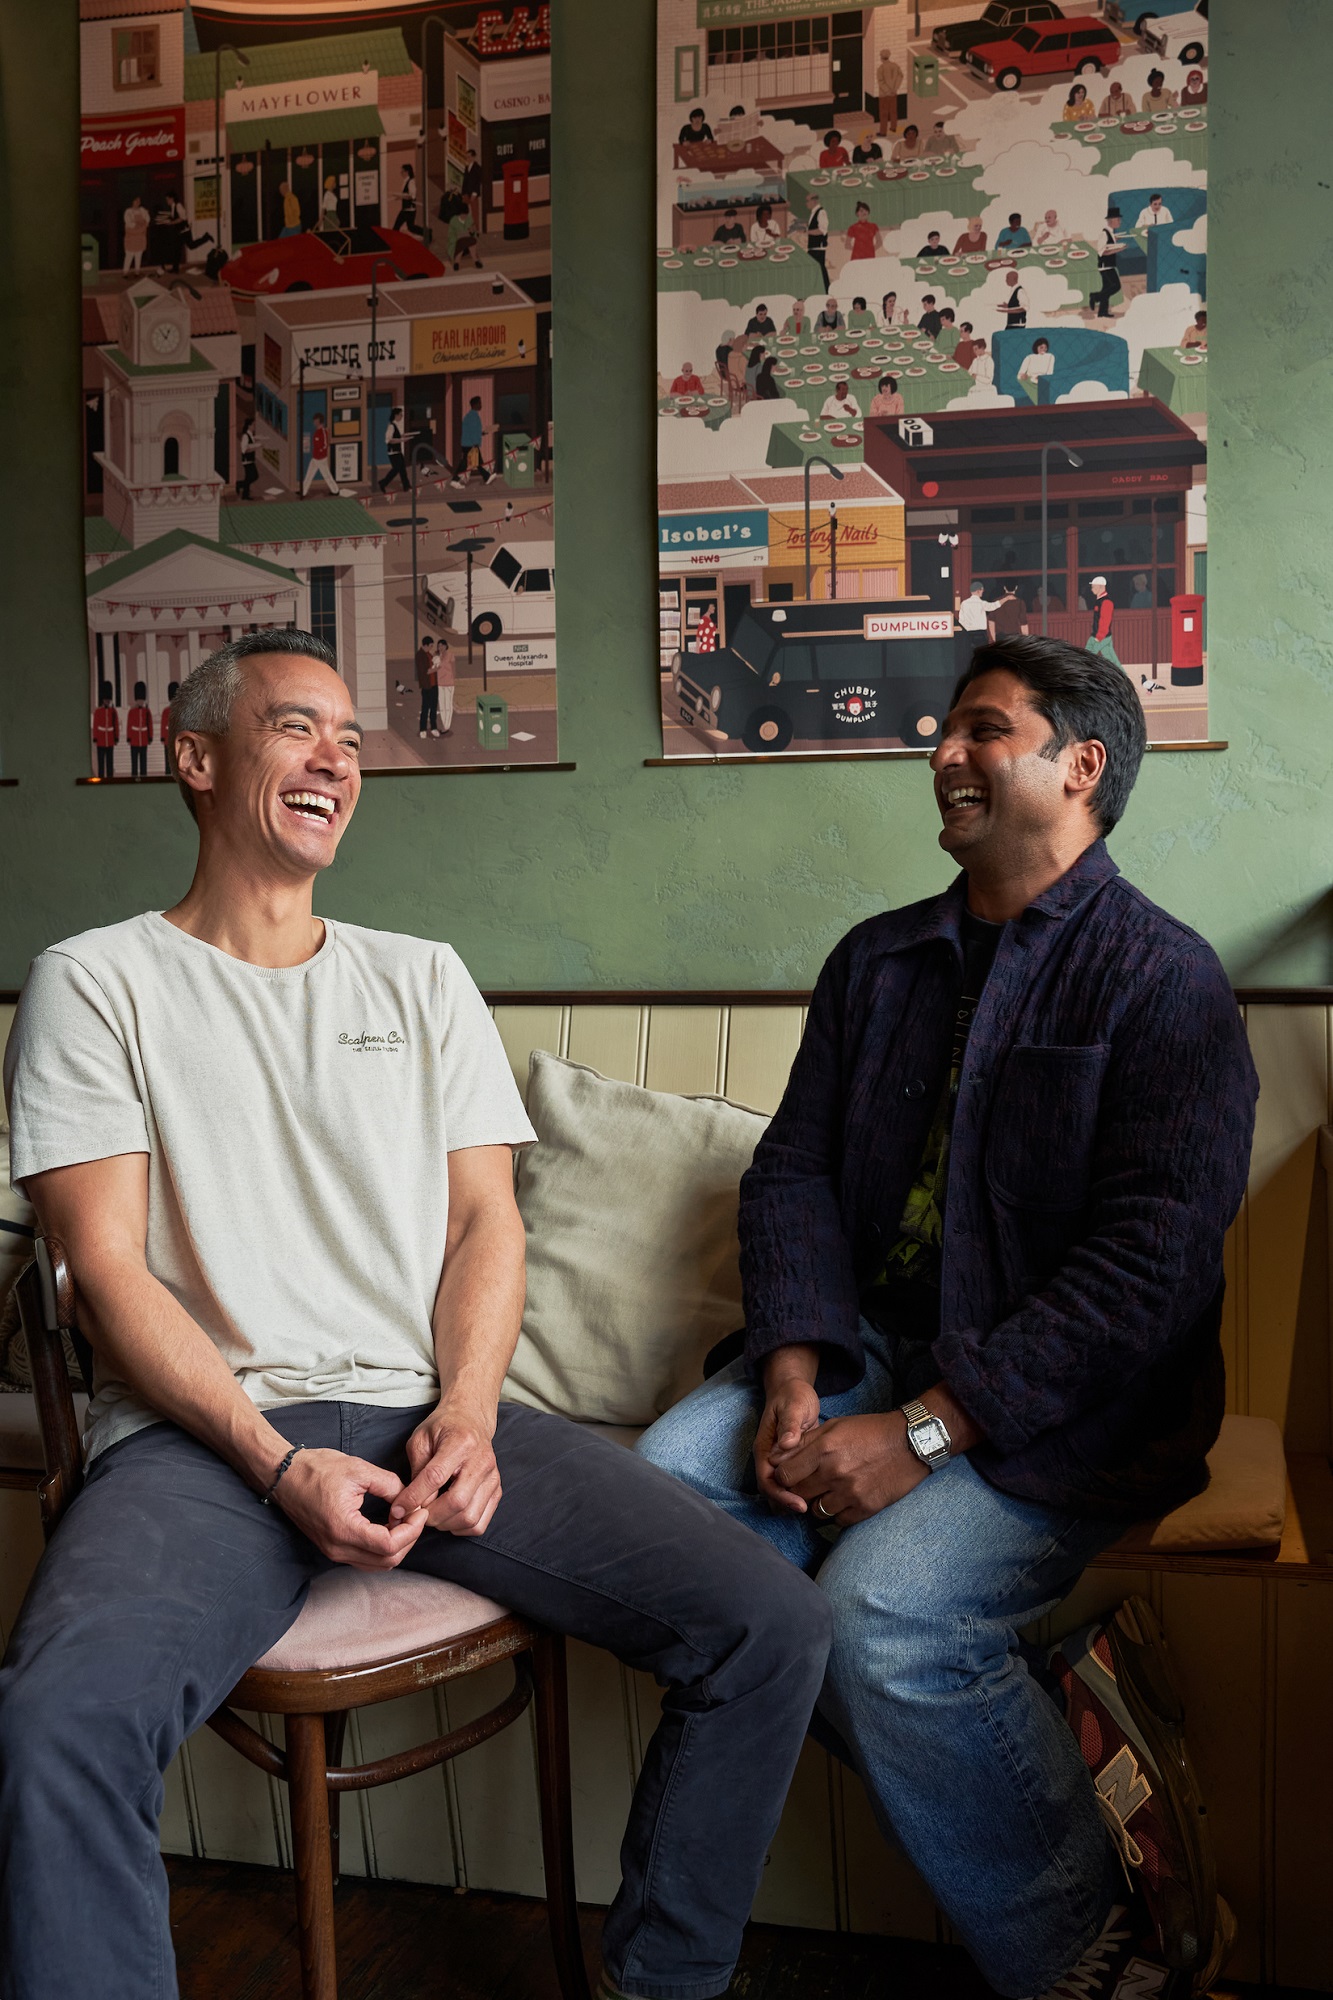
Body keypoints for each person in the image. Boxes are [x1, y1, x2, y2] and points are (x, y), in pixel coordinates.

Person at [0, 630, 833, 2000]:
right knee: (54, 1723)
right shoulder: (97, 981)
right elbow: (103, 1273)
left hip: (425, 1416)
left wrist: (468, 1412)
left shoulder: (420, 975)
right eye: (294, 727)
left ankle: (660, 1986)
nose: (335, 759)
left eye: (350, 738)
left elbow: (483, 1226)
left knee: (771, 1625)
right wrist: (274, 1460)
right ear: (194, 758)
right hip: (202, 1440)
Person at [636, 634, 1257, 2000]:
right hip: (863, 1351)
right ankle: (1039, 1744)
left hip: (1075, 1408)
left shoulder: (1166, 979)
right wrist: (793, 1367)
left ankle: (1099, 1955)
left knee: (880, 1621)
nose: (944, 754)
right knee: (663, 1501)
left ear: (1081, 765)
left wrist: (924, 1432)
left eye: (983, 729)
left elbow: (1149, 1271)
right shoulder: (876, 962)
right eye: (948, 731)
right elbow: (792, 1171)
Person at [451, 396, 495, 486]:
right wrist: (475, 444)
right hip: (470, 444)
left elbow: (473, 430)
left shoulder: (470, 416)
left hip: (467, 443)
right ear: (475, 405)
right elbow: (472, 431)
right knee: (472, 462)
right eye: (479, 403)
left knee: (470, 462)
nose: (481, 405)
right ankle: (486, 477)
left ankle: (486, 477)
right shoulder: (473, 416)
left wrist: (482, 433)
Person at [1091, 208, 1123, 319]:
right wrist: (1119, 249)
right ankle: (1095, 296)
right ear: (1111, 220)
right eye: (1118, 219)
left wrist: (1115, 241)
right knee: (1116, 286)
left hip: (1109, 265)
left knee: (1106, 288)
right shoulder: (1104, 234)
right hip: (1105, 266)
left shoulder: (1110, 233)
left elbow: (1108, 245)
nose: (1120, 221)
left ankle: (1102, 312)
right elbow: (1102, 252)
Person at [301, 413, 340, 496]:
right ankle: (303, 492)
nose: (314, 422)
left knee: (326, 475)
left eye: (315, 421)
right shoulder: (317, 432)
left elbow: (325, 444)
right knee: (309, 475)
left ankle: (335, 490)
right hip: (315, 458)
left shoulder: (323, 432)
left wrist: (321, 451)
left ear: (318, 421)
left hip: (321, 459)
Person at [1086, 575, 1121, 665]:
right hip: (1099, 636)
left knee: (1087, 658)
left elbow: (1105, 621)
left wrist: (1099, 637)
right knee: (1112, 660)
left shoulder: (1106, 602)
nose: (1092, 589)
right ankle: (1121, 674)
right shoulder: (1099, 601)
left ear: (1101, 587)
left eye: (1094, 587)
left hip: (1101, 637)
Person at [378, 407, 411, 495]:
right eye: (400, 415)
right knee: (396, 469)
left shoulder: (395, 425)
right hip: (393, 452)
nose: (402, 416)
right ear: (396, 415)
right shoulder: (391, 426)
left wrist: (404, 436)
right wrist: (402, 440)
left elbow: (397, 436)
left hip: (397, 451)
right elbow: (389, 440)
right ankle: (383, 483)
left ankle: (406, 486)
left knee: (402, 469)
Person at [803, 190, 831, 288]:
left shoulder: (821, 212)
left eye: (807, 201)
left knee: (820, 269)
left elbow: (822, 230)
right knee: (818, 269)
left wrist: (807, 231)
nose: (806, 203)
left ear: (814, 201)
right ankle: (823, 288)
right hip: (813, 247)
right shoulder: (814, 212)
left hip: (818, 247)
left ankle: (826, 288)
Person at [126, 681, 154, 780]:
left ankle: (144, 777)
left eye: (142, 700)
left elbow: (149, 724)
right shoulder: (132, 711)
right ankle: (133, 777)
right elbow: (129, 725)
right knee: (134, 762)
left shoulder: (147, 711)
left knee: (143, 761)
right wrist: (129, 737)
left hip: (144, 739)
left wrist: (150, 736)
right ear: (136, 700)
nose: (140, 702)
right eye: (139, 700)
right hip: (134, 739)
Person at [92, 682, 119, 779]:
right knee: (101, 763)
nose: (107, 701)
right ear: (102, 700)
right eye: (106, 699)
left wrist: (116, 737)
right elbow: (96, 725)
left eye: (108, 699)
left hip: (110, 739)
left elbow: (115, 725)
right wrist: (95, 737)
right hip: (101, 739)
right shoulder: (98, 711)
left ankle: (110, 778)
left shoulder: (113, 711)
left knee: (110, 762)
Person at [416, 635, 440, 739]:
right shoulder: (420, 655)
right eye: (430, 646)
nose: (431, 648)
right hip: (427, 686)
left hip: (434, 685)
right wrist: (436, 669)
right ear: (425, 645)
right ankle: (423, 729)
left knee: (433, 707)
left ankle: (433, 727)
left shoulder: (428, 654)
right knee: (425, 708)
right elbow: (425, 671)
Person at [876, 49, 904, 136]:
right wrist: (895, 88)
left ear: (881, 57)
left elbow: (881, 82)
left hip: (884, 95)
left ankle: (883, 132)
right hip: (893, 93)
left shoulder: (880, 69)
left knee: (884, 113)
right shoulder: (895, 66)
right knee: (893, 111)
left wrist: (887, 91)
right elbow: (900, 76)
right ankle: (893, 127)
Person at [435, 632, 457, 734]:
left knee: (448, 704)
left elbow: (453, 668)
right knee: (442, 705)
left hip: (448, 683)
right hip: (440, 683)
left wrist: (453, 679)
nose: (440, 647)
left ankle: (447, 725)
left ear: (445, 646)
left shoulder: (450, 655)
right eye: (439, 646)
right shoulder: (437, 657)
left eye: (442, 646)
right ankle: (444, 724)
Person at [122, 194, 149, 272]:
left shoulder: (143, 210)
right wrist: (139, 224)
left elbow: (147, 220)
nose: (138, 202)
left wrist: (141, 224)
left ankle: (137, 271)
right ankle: (125, 272)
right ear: (132, 201)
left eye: (139, 201)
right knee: (129, 255)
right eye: (136, 201)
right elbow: (129, 223)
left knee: (138, 255)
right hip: (131, 236)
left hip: (140, 236)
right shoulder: (128, 211)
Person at [392, 164, 419, 235]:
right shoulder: (406, 182)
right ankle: (427, 232)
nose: (401, 173)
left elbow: (411, 196)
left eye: (402, 171)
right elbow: (407, 195)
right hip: (407, 209)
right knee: (411, 227)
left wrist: (400, 195)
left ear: (407, 172)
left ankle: (427, 233)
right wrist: (399, 197)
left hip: (409, 209)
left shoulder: (411, 182)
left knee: (396, 227)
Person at [462, 148, 484, 231]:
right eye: (467, 157)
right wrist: (463, 192)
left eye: (469, 157)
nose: (468, 159)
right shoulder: (467, 167)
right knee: (466, 210)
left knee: (475, 212)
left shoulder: (477, 168)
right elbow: (465, 181)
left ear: (473, 157)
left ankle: (476, 228)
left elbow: (478, 181)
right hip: (467, 193)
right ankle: (469, 226)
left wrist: (475, 193)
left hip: (473, 193)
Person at [236, 419, 258, 501]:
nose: (254, 427)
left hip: (250, 460)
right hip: (247, 460)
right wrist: (255, 447)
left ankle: (245, 494)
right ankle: (239, 484)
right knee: (254, 476)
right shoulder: (245, 436)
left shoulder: (250, 435)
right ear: (249, 426)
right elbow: (244, 450)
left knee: (248, 478)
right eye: (253, 425)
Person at [162, 682, 179, 776]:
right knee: (168, 758)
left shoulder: (180, 711)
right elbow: (164, 725)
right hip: (168, 739)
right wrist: (163, 737)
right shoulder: (166, 711)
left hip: (177, 738)